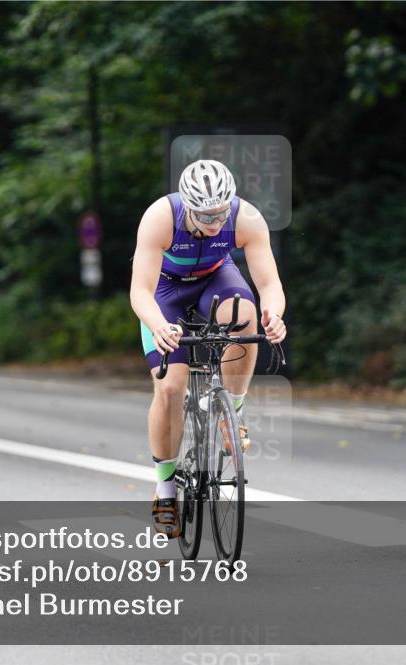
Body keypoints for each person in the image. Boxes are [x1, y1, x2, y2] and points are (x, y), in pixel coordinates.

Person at [130, 159, 286, 537]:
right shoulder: (160, 218)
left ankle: (232, 410)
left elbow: (269, 285)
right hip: (164, 291)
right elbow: (140, 291)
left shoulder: (245, 217)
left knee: (246, 320)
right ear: (187, 205)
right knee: (169, 388)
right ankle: (166, 490)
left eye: (220, 212)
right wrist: (158, 326)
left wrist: (274, 315)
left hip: (214, 278)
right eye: (205, 215)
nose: (215, 222)